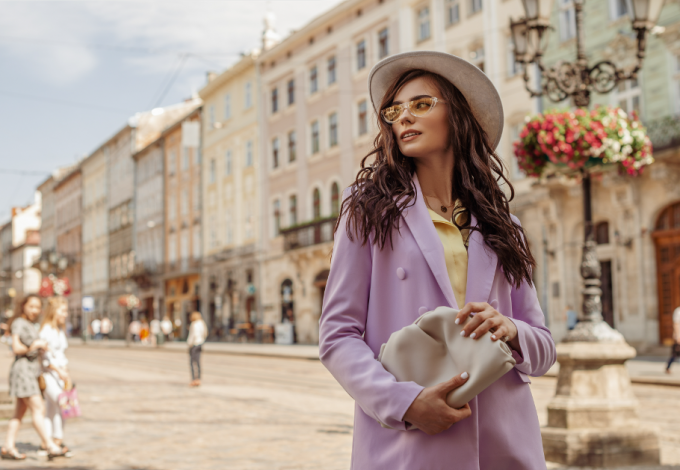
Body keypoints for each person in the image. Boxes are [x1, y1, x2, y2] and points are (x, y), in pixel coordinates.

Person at [319, 51, 556, 469]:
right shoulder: (369, 213)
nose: (403, 117)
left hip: (505, 441)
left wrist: (511, 329)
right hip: (411, 443)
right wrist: (406, 403)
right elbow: (338, 336)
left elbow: (543, 346)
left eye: (421, 104)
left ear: (460, 116)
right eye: (395, 110)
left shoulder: (503, 225)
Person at [1, 294, 67, 460]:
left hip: (31, 370)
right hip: (23, 371)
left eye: (37, 307)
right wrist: (34, 345)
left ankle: (8, 446)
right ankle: (49, 444)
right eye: (31, 306)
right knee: (38, 408)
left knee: (19, 413)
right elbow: (15, 347)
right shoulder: (18, 323)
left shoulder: (30, 324)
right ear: (23, 306)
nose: (35, 310)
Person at [40, 297, 71, 454]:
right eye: (63, 311)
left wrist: (65, 371)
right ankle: (56, 439)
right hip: (49, 374)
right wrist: (59, 370)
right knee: (62, 403)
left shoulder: (59, 329)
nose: (66, 314)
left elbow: (61, 354)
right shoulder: (46, 330)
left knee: (51, 408)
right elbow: (45, 357)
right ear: (54, 311)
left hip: (59, 375)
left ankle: (48, 441)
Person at [187, 311, 207, 387]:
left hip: (194, 344)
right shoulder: (202, 323)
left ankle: (193, 379)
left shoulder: (194, 324)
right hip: (200, 343)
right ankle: (198, 379)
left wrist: (189, 343)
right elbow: (205, 333)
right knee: (198, 362)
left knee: (192, 362)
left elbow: (192, 335)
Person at [666, 305, 680, 374]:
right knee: (675, 354)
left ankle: (668, 367)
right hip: (678, 336)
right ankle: (668, 367)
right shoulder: (678, 311)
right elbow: (676, 324)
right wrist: (678, 336)